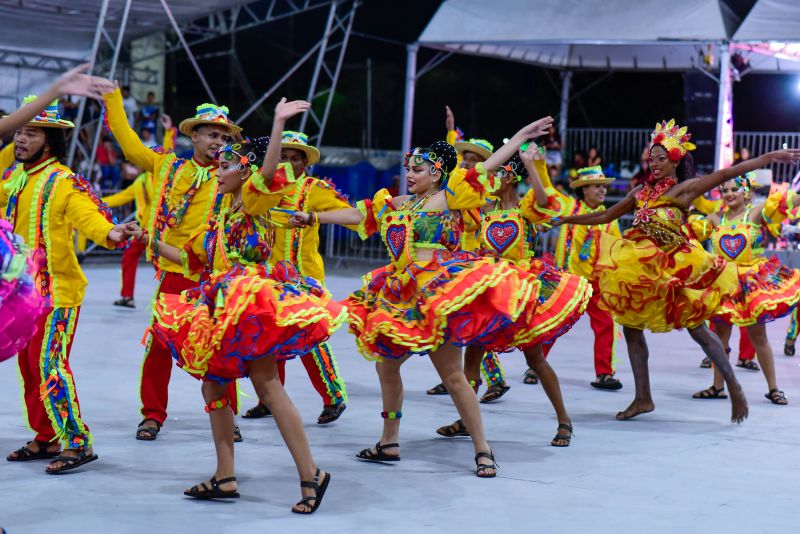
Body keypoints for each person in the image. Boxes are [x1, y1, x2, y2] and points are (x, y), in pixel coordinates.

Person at [290, 115, 557, 477]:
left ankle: (483, 448)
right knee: (386, 368)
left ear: (436, 173)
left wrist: (520, 136)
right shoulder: (400, 203)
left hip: (433, 295)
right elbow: (358, 212)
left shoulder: (448, 198)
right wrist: (313, 218)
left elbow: (486, 168)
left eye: (419, 169)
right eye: (409, 168)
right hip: (396, 295)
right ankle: (389, 441)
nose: (411, 173)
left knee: (453, 376)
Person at [133, 136, 340, 512]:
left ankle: (312, 474)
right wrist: (148, 239)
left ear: (246, 170)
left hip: (249, 306)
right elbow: (189, 259)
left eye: (227, 164)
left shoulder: (256, 202)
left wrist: (277, 126)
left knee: (268, 387)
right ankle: (225, 475)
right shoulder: (221, 214)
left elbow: (268, 172)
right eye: (219, 164)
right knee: (213, 387)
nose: (218, 169)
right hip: (218, 306)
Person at [553, 119, 799, 422]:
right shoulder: (640, 192)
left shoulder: (684, 190)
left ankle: (734, 387)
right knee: (631, 329)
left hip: (674, 270)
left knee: (698, 329)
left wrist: (766, 159)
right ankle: (643, 398)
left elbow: (724, 173)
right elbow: (605, 214)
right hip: (639, 268)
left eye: (661, 159)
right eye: (651, 159)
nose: (654, 164)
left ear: (674, 161)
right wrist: (567, 221)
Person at [102, 83, 242, 441]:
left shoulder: (233, 175)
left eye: (223, 136)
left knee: (219, 348)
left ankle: (228, 417)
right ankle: (152, 414)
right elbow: (129, 142)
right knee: (160, 345)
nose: (217, 142)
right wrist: (112, 98)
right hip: (173, 272)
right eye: (211, 134)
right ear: (193, 136)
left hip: (215, 276)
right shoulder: (166, 166)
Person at [2, 94, 131, 473]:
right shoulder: (12, 178)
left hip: (58, 293)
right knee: (28, 368)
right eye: (18, 133)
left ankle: (77, 441)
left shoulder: (64, 182)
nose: (21, 140)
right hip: (23, 297)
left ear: (50, 139)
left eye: (30, 133)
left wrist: (113, 233)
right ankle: (46, 437)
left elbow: (90, 220)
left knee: (50, 365)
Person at [435, 143, 592, 445]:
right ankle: (466, 419)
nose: (490, 179)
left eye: (496, 174)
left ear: (510, 177)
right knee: (472, 357)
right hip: (491, 291)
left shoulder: (526, 208)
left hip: (523, 292)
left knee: (535, 359)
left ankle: (564, 420)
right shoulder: (485, 209)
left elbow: (546, 198)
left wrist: (530, 164)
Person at [239, 116, 350, 425]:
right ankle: (270, 399)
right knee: (271, 341)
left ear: (305, 163)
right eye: (282, 156)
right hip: (270, 278)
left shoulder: (315, 189)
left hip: (306, 279)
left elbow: (349, 213)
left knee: (310, 342)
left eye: (294, 157)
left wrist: (315, 217)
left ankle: (333, 396)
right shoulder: (264, 188)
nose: (287, 162)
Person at [425, 105, 510, 403]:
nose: (466, 162)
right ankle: (453, 377)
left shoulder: (484, 192)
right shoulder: (458, 183)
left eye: (474, 159)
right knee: (454, 326)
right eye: (466, 157)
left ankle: (491, 379)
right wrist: (451, 130)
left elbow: (476, 220)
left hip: (475, 265)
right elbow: (452, 165)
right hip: (453, 263)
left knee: (471, 328)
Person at [691, 172, 799, 405]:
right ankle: (717, 387)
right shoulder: (713, 219)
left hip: (751, 284)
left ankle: (774, 388)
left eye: (734, 190)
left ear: (746, 192)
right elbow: (687, 234)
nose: (729, 194)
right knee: (719, 337)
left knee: (758, 336)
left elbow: (786, 202)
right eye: (725, 190)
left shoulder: (757, 213)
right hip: (723, 283)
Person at [523, 163, 623, 390]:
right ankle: (535, 366)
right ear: (584, 189)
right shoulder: (568, 206)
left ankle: (604, 373)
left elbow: (617, 250)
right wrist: (538, 162)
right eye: (596, 186)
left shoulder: (611, 219)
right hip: (568, 281)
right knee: (551, 323)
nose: (602, 190)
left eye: (603, 187)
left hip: (597, 283)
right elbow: (547, 188)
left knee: (606, 324)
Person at [103, 115, 176, 308]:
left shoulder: (165, 179)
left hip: (158, 231)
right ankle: (127, 296)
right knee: (129, 257)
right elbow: (119, 198)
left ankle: (170, 296)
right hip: (141, 230)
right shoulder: (140, 182)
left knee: (161, 264)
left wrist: (169, 132)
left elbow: (168, 152)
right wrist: (93, 201)